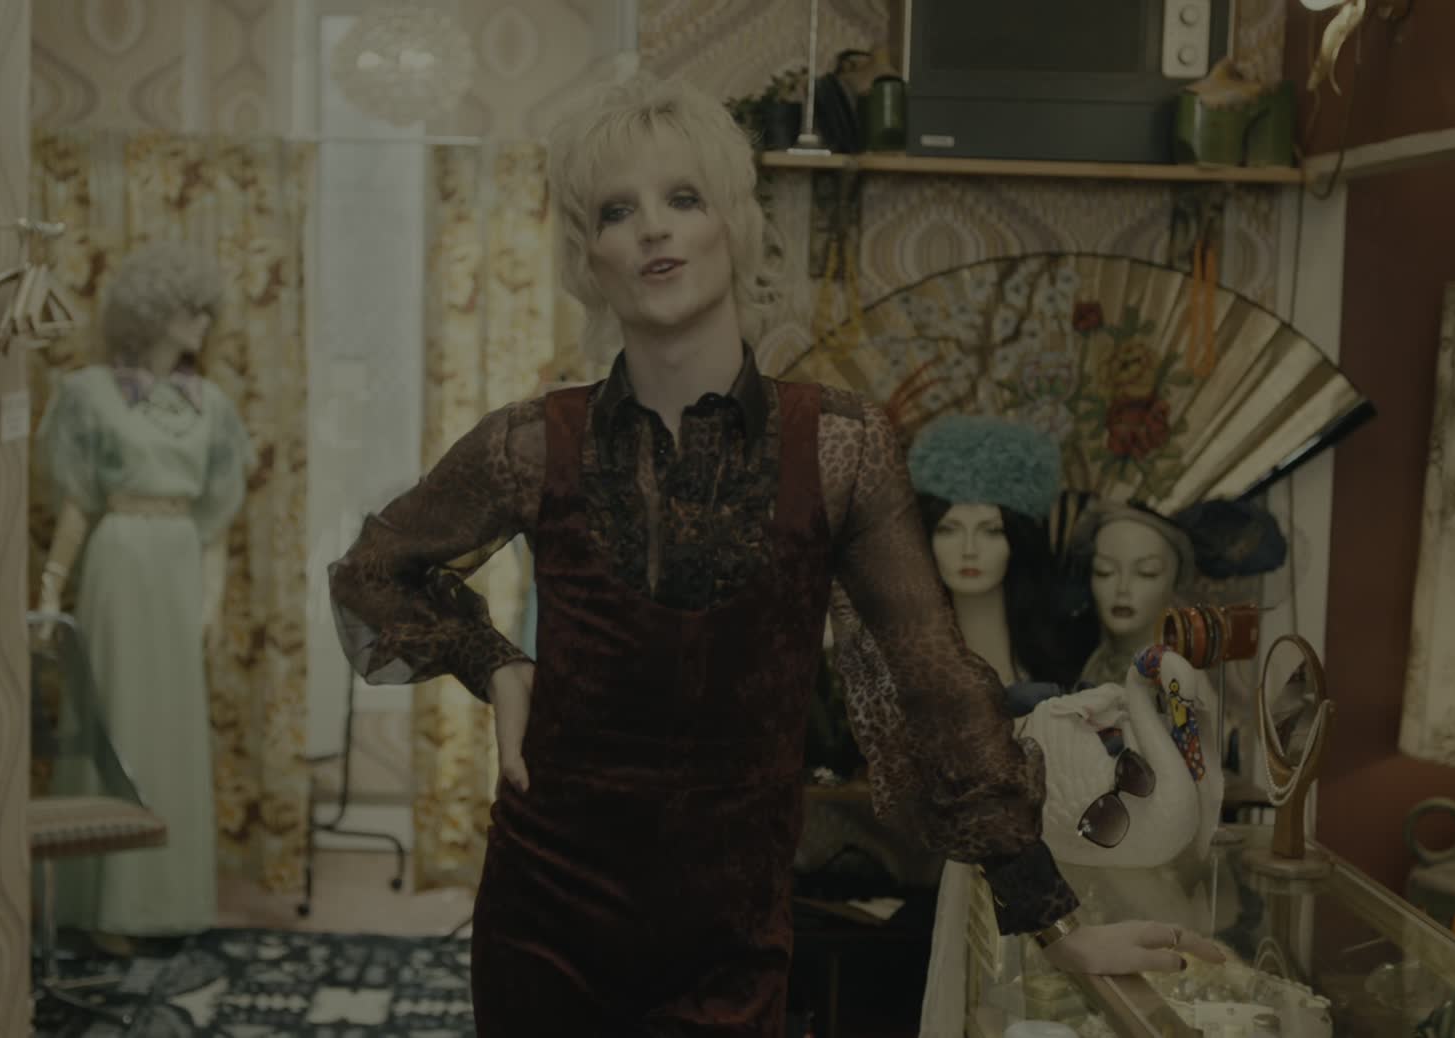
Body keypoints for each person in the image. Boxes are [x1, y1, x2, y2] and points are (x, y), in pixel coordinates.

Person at [327, 75, 1222, 1035]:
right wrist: (494, 661)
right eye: (617, 211)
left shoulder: (840, 448)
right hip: (545, 922)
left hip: (733, 932)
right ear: (589, 258)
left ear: (735, 225)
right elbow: (372, 574)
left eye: (683, 198)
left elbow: (930, 683)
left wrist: (1053, 922)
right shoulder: (532, 443)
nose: (653, 228)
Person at [34, 241, 251, 942]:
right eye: (190, 309)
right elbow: (78, 504)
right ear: (153, 312)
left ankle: (168, 900)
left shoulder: (211, 407)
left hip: (178, 563)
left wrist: (211, 603)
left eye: (206, 310)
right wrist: (50, 590)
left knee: (172, 729)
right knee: (115, 716)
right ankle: (107, 905)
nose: (202, 322)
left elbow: (216, 521)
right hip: (120, 560)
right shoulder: (90, 394)